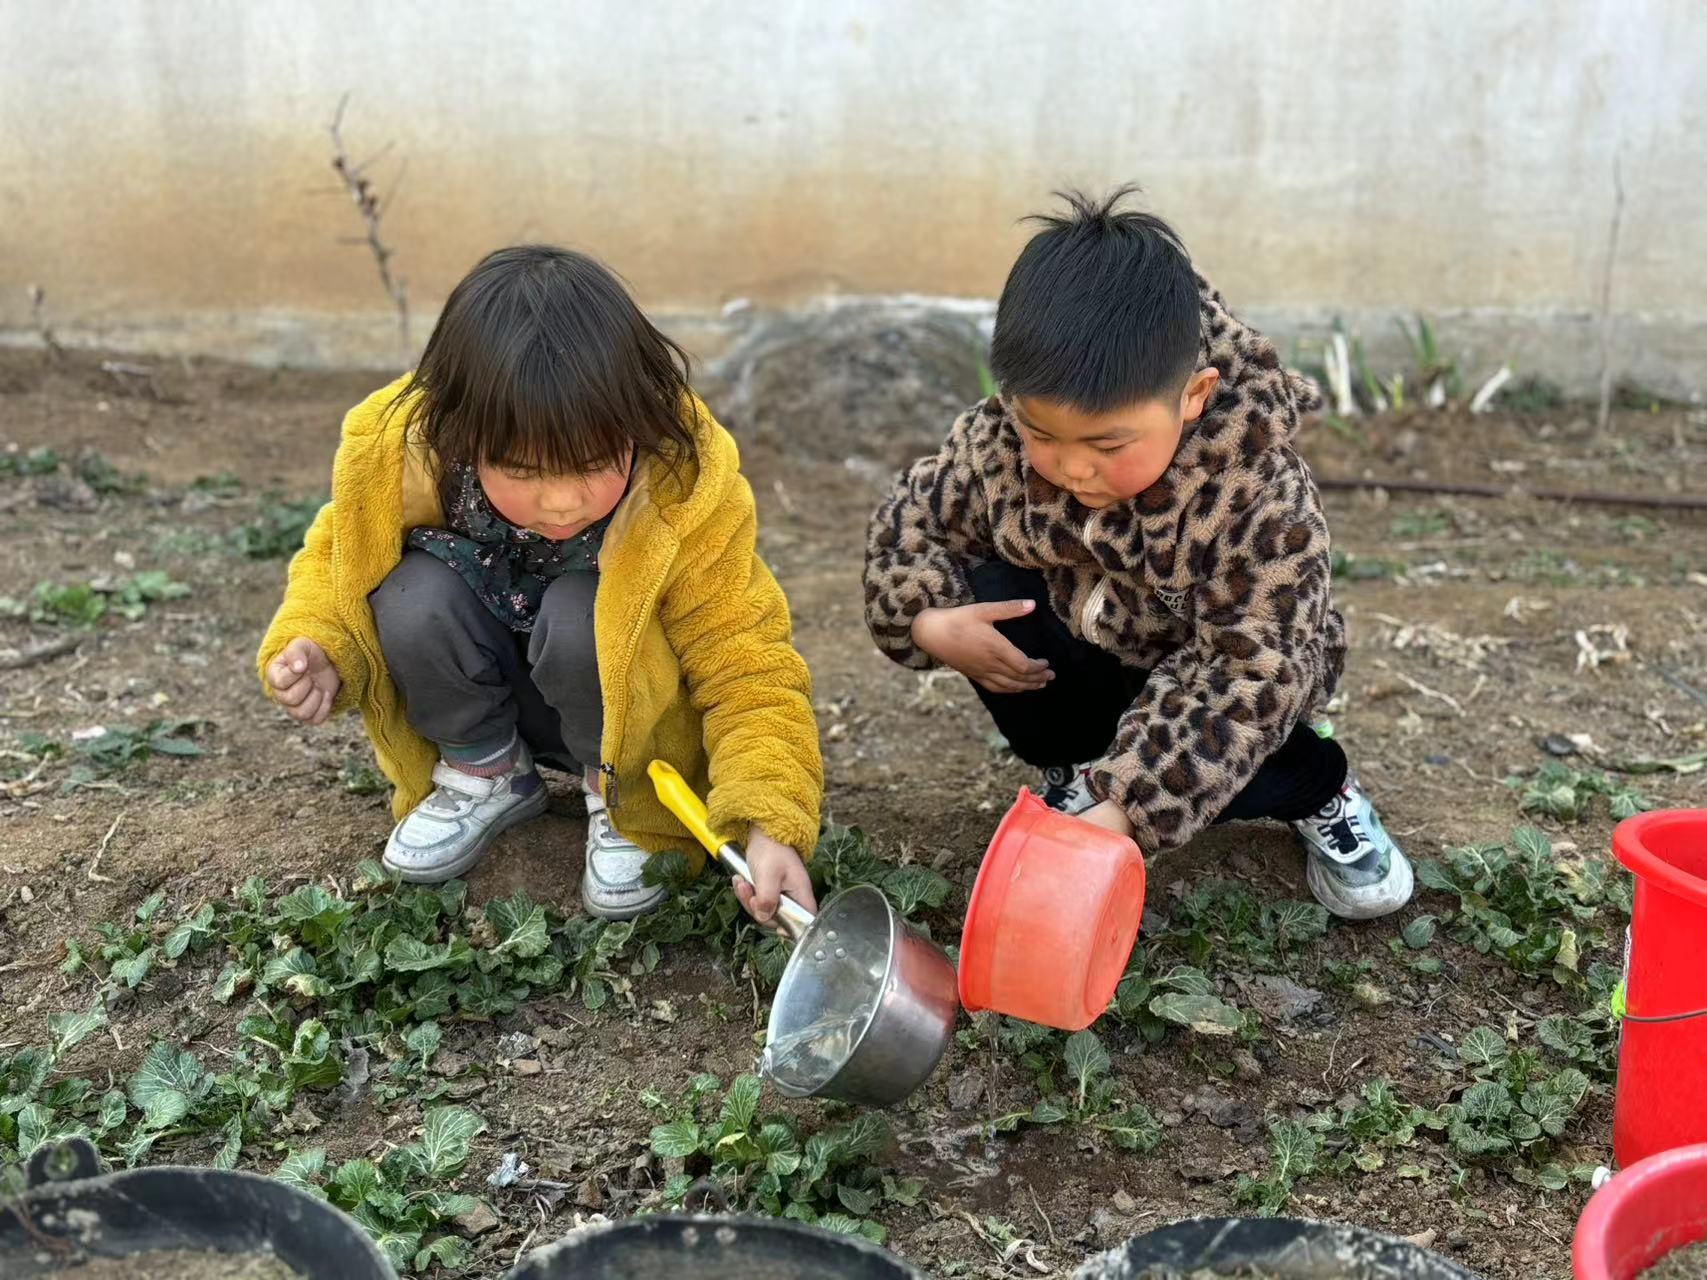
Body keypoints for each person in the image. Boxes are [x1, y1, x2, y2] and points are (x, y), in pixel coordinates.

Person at [863, 189, 1412, 920]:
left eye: (1107, 445)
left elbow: (1247, 670)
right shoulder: (997, 444)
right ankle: (1084, 765)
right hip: (1087, 644)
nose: (1070, 468)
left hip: (1222, 673)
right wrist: (928, 621)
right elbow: (914, 519)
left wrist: (1129, 808)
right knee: (984, 591)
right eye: (1041, 434)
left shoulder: (1255, 497)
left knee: (1245, 763)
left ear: (1193, 396)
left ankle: (1320, 792)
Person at [260, 245, 821, 925]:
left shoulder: (682, 490)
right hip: (493, 689)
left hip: (625, 720)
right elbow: (336, 563)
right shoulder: (401, 458)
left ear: (637, 423)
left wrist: (770, 819)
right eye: (522, 471)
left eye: (589, 465)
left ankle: (617, 800)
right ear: (461, 434)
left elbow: (745, 658)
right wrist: (319, 645)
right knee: (410, 593)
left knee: (586, 608)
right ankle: (485, 771)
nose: (560, 502)